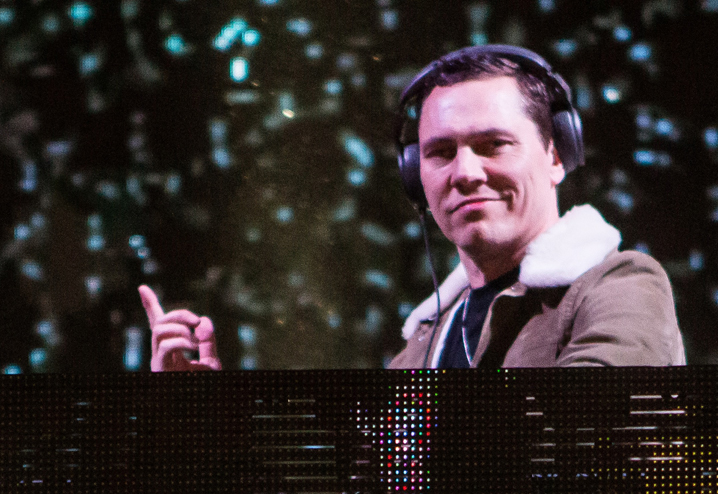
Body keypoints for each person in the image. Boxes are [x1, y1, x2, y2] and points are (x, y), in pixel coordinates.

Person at [140, 45, 685, 370]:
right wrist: (210, 419)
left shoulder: (619, 285)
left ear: (556, 156)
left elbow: (588, 439)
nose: (466, 172)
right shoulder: (426, 342)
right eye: (441, 152)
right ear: (413, 175)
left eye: (493, 144)